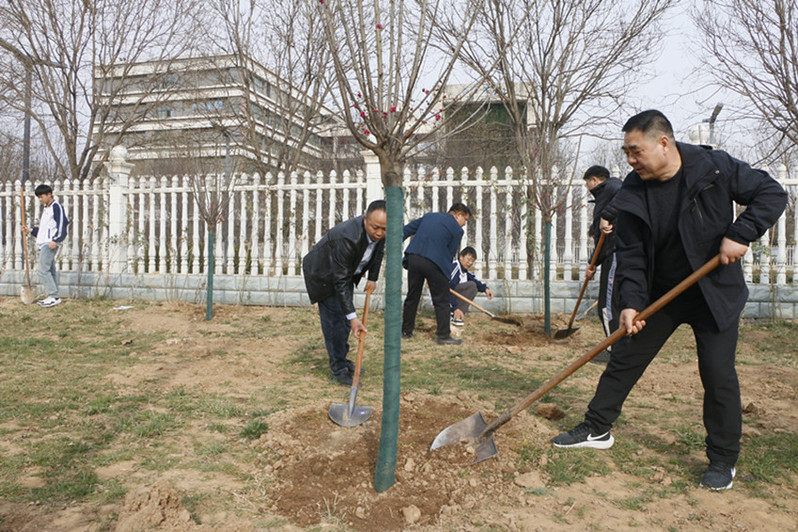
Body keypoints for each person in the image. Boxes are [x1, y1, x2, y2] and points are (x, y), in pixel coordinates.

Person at [551, 110, 787, 492]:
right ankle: (597, 428)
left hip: (713, 290)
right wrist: (630, 303)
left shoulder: (713, 167)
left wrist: (742, 232)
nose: (630, 160)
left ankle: (722, 460)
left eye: (635, 151)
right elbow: (630, 255)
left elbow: (772, 193)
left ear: (663, 143)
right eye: (626, 152)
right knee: (626, 358)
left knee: (717, 373)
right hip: (662, 293)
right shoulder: (631, 191)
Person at [302, 200, 387, 386]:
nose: (379, 233)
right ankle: (338, 369)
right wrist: (353, 317)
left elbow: (378, 253)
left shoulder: (380, 233)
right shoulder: (347, 237)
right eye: (375, 228)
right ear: (365, 220)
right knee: (335, 322)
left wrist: (372, 278)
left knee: (344, 322)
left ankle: (342, 359)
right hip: (323, 275)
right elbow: (339, 281)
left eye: (384, 229)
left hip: (343, 274)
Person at [401, 203, 471, 345]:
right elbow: (450, 255)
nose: (464, 225)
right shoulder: (457, 230)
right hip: (435, 263)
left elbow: (406, 231)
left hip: (414, 258)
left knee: (412, 296)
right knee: (441, 301)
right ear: (458, 215)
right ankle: (443, 336)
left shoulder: (429, 216)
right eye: (465, 220)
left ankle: (406, 331)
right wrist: (445, 280)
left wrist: (389, 244)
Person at [582, 165, 623, 363]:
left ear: (595, 180)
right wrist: (592, 264)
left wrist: (606, 215)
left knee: (606, 307)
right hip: (609, 254)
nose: (587, 187)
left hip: (615, 254)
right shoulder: (603, 196)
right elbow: (600, 238)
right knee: (614, 305)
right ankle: (620, 346)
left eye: (587, 183)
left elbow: (623, 190)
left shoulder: (610, 188)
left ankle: (615, 351)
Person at [21, 184, 69, 308]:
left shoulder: (56, 207)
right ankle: (54, 296)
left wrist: (56, 240)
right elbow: (44, 229)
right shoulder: (46, 208)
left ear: (49, 194)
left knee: (42, 270)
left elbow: (62, 224)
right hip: (45, 243)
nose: (40, 199)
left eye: (42, 197)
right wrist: (31, 230)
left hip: (50, 244)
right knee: (50, 270)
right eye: (39, 198)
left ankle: (53, 296)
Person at [449, 246, 494, 326]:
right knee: (471, 286)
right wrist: (454, 308)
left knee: (473, 286)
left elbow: (475, 281)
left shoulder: (464, 271)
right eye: (468, 259)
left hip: (451, 299)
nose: (470, 263)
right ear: (461, 257)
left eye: (472, 261)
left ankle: (458, 315)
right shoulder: (455, 268)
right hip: (444, 300)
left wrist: (485, 289)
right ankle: (452, 314)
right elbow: (445, 291)